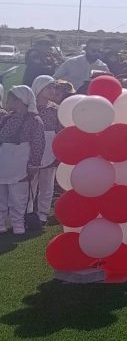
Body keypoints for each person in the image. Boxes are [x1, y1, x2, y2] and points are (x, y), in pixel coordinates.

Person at [0, 85, 46, 235]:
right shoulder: (6, 118)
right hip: (4, 162)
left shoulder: (34, 120)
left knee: (18, 197)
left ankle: (18, 225)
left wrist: (34, 164)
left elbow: (38, 144)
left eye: (10, 98)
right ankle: (1, 224)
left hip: (20, 164)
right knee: (1, 196)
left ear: (19, 100)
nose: (7, 101)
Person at [30, 76, 61, 224]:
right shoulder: (29, 107)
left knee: (47, 185)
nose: (52, 90)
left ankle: (42, 214)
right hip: (32, 148)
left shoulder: (55, 109)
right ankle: (27, 213)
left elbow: (59, 130)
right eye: (49, 87)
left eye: (53, 87)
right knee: (30, 184)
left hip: (50, 149)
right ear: (39, 87)